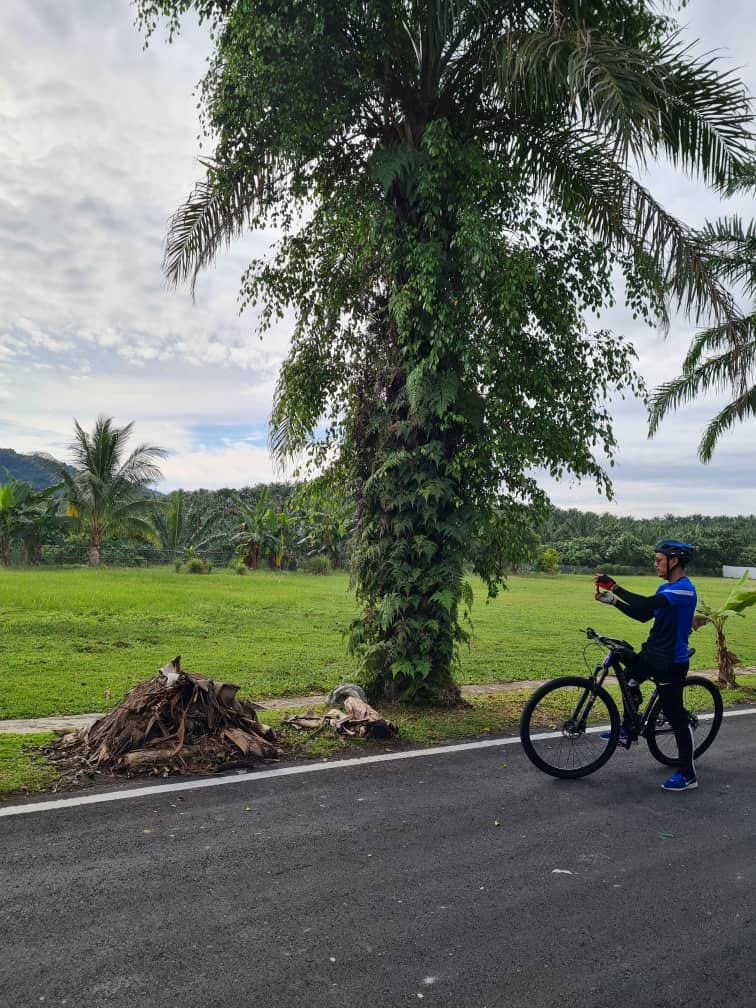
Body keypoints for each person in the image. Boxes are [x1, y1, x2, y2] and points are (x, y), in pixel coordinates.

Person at [594, 540, 699, 792]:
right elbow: (643, 615)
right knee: (629, 677)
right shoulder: (665, 589)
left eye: (659, 560)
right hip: (652, 654)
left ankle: (687, 774)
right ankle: (628, 729)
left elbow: (643, 604)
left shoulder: (684, 590)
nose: (656, 565)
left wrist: (615, 586)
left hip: (671, 663)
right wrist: (613, 601)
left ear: (674, 561)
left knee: (676, 717)